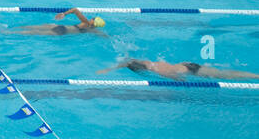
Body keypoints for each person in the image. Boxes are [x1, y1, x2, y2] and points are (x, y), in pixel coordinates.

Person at [97, 58, 259, 81]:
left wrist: (108, 70)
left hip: (187, 70)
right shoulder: (149, 63)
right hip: (186, 64)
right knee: (223, 73)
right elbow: (128, 61)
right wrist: (108, 69)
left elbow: (180, 79)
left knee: (225, 76)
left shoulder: (156, 71)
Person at [18, 7, 107, 35]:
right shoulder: (92, 30)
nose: (91, 18)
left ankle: (10, 30)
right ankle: (9, 33)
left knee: (32, 28)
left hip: (62, 28)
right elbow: (103, 35)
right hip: (63, 32)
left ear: (93, 22)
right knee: (33, 32)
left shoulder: (86, 23)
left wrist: (64, 14)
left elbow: (75, 10)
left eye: (93, 19)